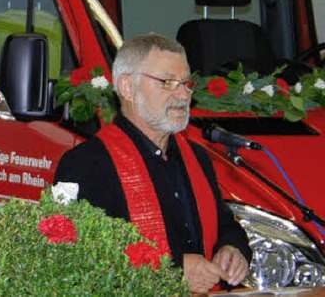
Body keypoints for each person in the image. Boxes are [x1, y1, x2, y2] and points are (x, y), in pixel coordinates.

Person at [54, 33, 251, 293]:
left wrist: (232, 249)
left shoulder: (197, 158)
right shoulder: (86, 164)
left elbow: (225, 224)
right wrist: (174, 271)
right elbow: (77, 259)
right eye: (168, 82)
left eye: (186, 83)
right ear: (127, 87)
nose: (183, 94)